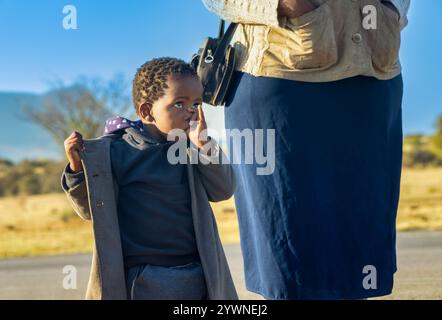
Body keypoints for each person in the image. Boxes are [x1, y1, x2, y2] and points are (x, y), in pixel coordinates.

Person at [202, 0, 410, 299]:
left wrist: (392, 9)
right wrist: (290, 5)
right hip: (281, 76)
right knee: (290, 248)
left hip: (375, 72)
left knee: (357, 245)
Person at [61, 57, 238, 300]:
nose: (191, 112)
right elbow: (90, 209)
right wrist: (76, 167)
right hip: (143, 279)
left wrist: (204, 144)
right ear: (147, 111)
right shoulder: (117, 151)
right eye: (179, 103)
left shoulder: (190, 149)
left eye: (197, 103)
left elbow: (223, 190)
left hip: (196, 273)